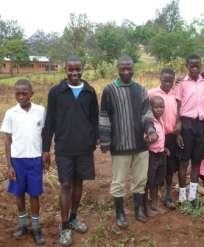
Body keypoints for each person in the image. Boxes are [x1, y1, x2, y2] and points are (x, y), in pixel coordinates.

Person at [42, 56, 99, 246]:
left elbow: (94, 120)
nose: (74, 73)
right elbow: (49, 121)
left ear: (82, 69)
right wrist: (46, 149)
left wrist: (93, 142)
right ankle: (65, 226)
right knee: (66, 184)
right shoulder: (56, 92)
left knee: (78, 183)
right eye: (70, 70)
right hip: (64, 148)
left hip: (83, 149)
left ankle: (74, 217)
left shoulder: (90, 92)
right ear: (65, 70)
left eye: (77, 69)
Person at [99, 56, 158, 228]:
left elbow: (146, 114)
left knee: (140, 179)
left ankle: (138, 209)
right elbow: (104, 116)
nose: (126, 72)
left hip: (141, 144)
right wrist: (105, 140)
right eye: (123, 68)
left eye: (129, 68)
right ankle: (120, 213)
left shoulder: (140, 89)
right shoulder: (109, 90)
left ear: (133, 68)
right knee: (119, 181)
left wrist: (150, 130)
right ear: (117, 69)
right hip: (120, 145)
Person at [1, 80, 46, 245]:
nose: (21, 96)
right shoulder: (11, 113)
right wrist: (9, 165)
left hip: (35, 159)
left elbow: (44, 135)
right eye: (17, 93)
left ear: (31, 93)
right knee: (19, 193)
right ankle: (23, 224)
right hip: (17, 161)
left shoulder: (40, 111)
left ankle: (35, 227)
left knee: (34, 194)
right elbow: (7, 141)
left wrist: (46, 154)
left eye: (24, 92)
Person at [175, 54, 204, 207]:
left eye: (198, 65)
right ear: (187, 66)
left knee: (197, 162)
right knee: (184, 161)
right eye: (192, 66)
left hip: (201, 125)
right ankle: (182, 197)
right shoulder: (182, 84)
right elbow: (178, 105)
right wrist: (178, 128)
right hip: (186, 124)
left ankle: (192, 197)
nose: (195, 68)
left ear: (201, 66)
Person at [148, 68, 179, 210]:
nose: (168, 83)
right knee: (153, 168)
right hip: (156, 137)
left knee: (169, 167)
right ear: (160, 79)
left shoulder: (176, 93)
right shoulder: (151, 93)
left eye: (170, 81)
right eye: (165, 80)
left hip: (171, 136)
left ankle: (167, 194)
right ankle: (151, 195)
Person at [145, 96, 168, 216]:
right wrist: (150, 140)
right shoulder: (149, 123)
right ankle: (146, 207)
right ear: (151, 108)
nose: (159, 109)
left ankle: (155, 204)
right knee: (149, 181)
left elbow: (161, 138)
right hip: (151, 155)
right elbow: (145, 140)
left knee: (158, 181)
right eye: (156, 107)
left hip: (161, 155)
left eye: (161, 107)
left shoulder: (161, 120)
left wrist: (165, 148)